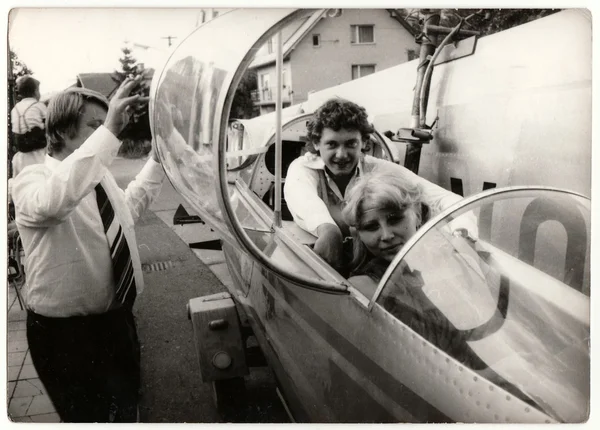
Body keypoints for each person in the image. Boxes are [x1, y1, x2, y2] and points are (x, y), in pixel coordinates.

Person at [11, 77, 165, 423]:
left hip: (116, 322)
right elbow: (52, 203)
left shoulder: (97, 178)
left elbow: (127, 209)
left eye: (105, 125)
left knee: (126, 413)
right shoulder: (30, 180)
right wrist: (110, 131)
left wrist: (157, 162)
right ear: (63, 131)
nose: (106, 133)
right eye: (95, 126)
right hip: (65, 337)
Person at [283, 98, 463, 273]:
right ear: (316, 143)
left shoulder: (377, 167)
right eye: (331, 144)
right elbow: (303, 199)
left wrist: (461, 236)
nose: (341, 154)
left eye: (351, 143)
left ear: (364, 143)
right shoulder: (302, 168)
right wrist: (327, 229)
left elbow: (448, 200)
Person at [10, 75, 48, 173]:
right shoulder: (38, 105)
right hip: (38, 151)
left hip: (22, 152)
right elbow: (49, 123)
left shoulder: (15, 109)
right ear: (35, 91)